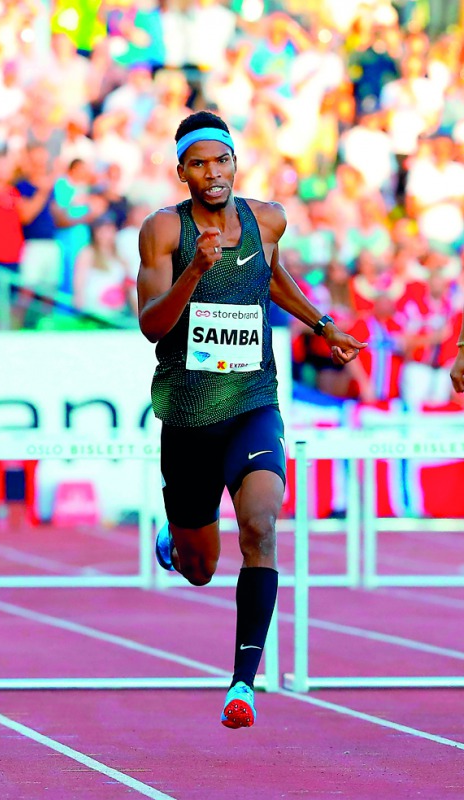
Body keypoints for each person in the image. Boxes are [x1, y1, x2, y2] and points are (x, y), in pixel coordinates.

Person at [136, 111, 365, 729]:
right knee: (201, 568)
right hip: (187, 412)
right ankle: (174, 542)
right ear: (181, 171)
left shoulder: (268, 219)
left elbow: (272, 277)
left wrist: (322, 324)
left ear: (236, 162)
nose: (213, 174)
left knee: (261, 524)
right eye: (199, 164)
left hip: (253, 401)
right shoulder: (162, 231)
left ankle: (243, 683)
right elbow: (151, 324)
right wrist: (195, 271)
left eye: (222, 160)